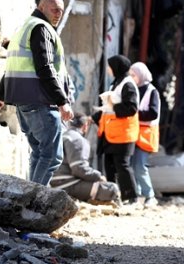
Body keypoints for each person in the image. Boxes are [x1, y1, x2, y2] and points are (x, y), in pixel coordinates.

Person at [0, 0, 74, 186]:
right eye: (55, 9)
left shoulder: (25, 28)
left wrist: (1, 95)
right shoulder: (41, 29)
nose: (58, 14)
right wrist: (62, 101)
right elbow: (44, 67)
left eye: (61, 11)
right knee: (51, 156)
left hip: (25, 103)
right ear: (42, 7)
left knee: (40, 153)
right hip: (40, 102)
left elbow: (15, 66)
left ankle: (31, 197)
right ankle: (34, 199)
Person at [93, 55, 139, 204]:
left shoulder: (128, 84)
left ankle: (131, 198)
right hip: (112, 134)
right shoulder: (117, 83)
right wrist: (92, 117)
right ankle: (113, 196)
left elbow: (131, 108)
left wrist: (113, 105)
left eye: (110, 66)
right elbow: (110, 108)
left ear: (116, 68)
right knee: (110, 166)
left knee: (123, 167)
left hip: (123, 134)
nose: (108, 69)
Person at [51, 114, 121, 202]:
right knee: (112, 188)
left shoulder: (63, 136)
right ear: (85, 126)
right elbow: (78, 169)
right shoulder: (78, 139)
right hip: (68, 184)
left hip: (54, 182)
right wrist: (98, 176)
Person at [129, 61, 160, 207]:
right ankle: (139, 196)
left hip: (146, 135)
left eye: (133, 75)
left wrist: (135, 114)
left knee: (140, 166)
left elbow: (153, 113)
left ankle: (150, 196)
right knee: (132, 166)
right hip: (133, 133)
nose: (131, 77)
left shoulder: (151, 91)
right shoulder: (134, 89)